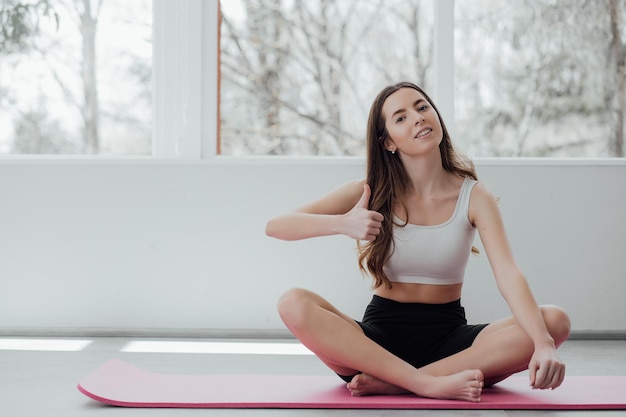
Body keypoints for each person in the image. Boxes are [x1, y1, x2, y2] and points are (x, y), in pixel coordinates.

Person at [265, 81, 571, 402]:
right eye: (401, 118)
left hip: (450, 343)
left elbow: (508, 274)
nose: (417, 117)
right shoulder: (370, 190)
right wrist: (343, 223)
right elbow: (277, 226)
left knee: (554, 322)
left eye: (422, 107)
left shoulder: (474, 196)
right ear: (388, 143)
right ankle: (425, 383)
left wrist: (543, 344)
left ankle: (399, 382)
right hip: (377, 343)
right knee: (292, 303)